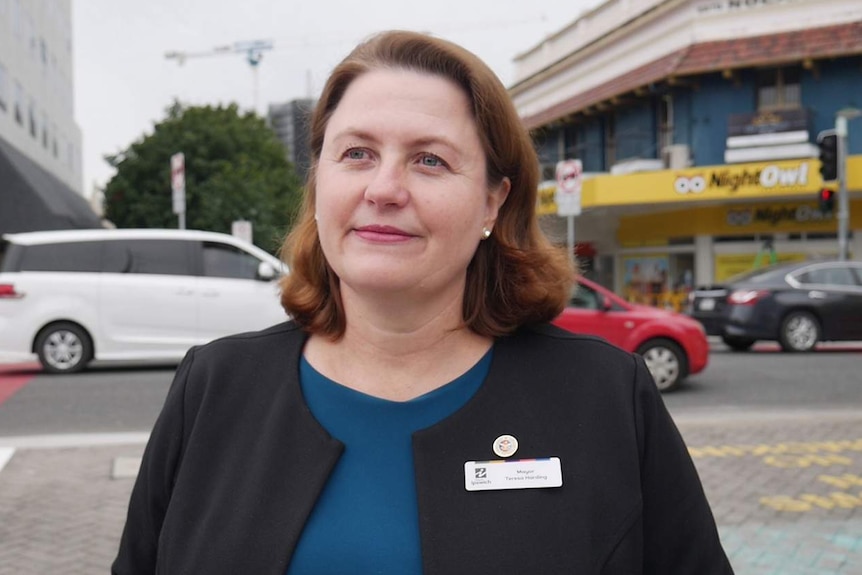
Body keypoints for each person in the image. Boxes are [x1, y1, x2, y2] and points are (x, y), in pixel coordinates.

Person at [112, 30, 733, 574]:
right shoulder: (213, 388)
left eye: (429, 160)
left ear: (493, 202)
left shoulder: (603, 395)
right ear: (320, 178)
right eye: (356, 153)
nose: (384, 188)